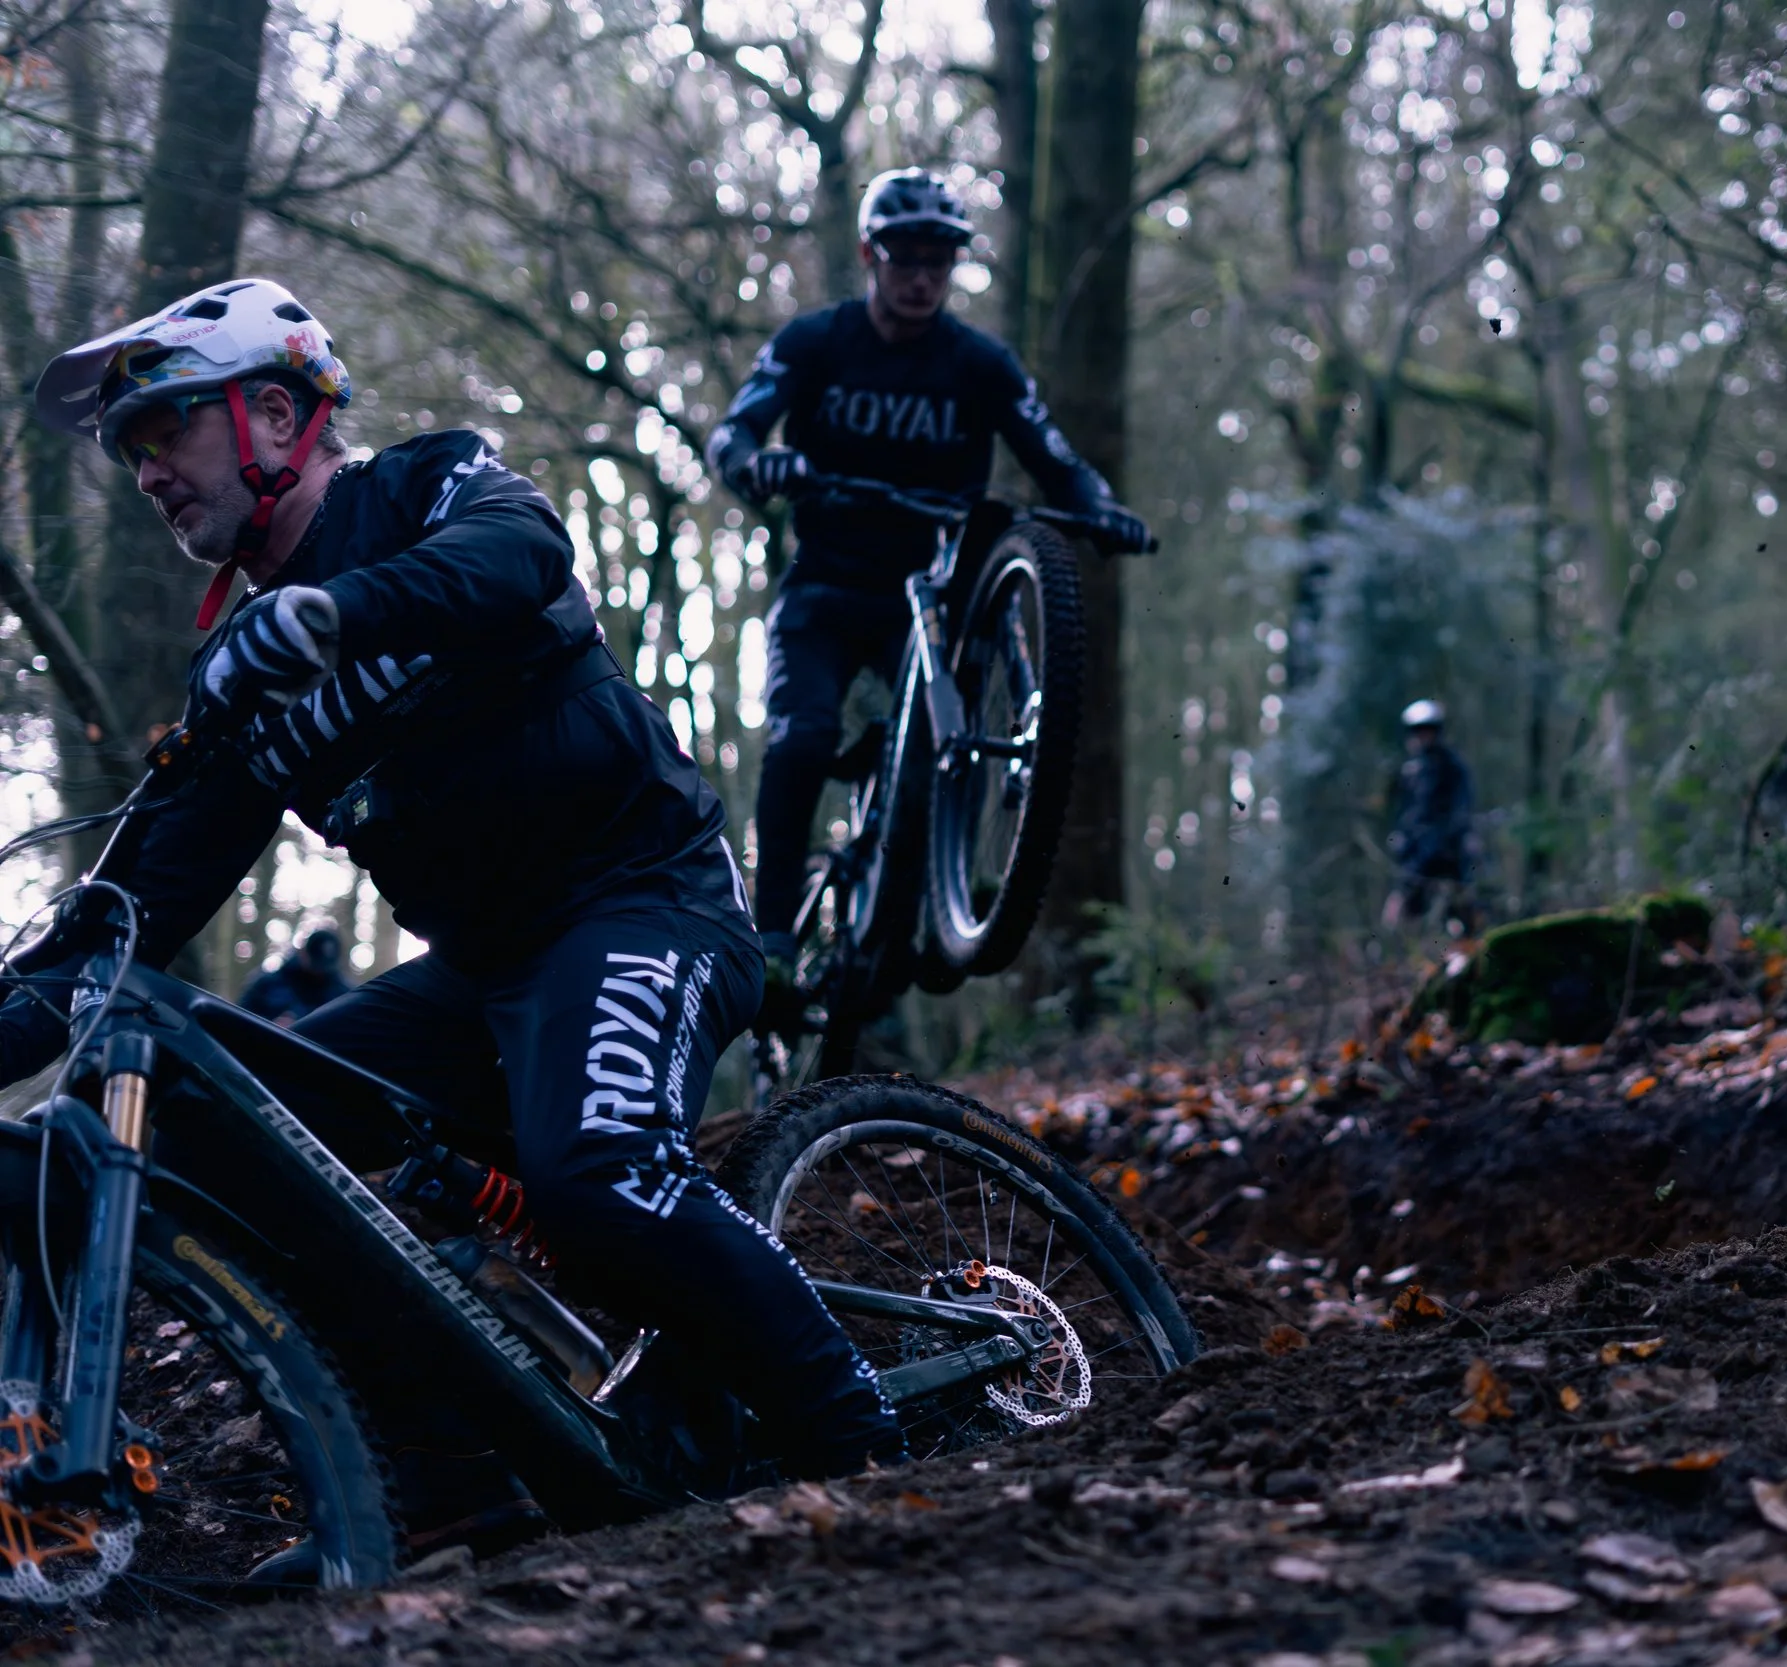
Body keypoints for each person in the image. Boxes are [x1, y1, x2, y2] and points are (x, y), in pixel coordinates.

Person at [9, 279, 900, 1558]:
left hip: (643, 904)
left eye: (166, 429)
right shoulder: (244, 676)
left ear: (274, 411)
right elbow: (131, 915)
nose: (144, 470)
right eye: (129, 446)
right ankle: (447, 1499)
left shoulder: (425, 487)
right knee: (264, 1151)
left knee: (596, 1169)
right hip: (478, 977)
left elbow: (524, 552)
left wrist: (338, 610)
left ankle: (864, 1440)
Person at [704, 167, 1152, 1009]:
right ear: (872, 256)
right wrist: (753, 463)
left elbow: (1054, 458)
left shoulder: (978, 363)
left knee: (962, 732)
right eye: (905, 259)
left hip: (934, 593)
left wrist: (1102, 510)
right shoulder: (817, 341)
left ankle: (957, 892)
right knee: (800, 738)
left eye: (938, 264)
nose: (920, 279)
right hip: (827, 588)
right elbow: (735, 427)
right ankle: (767, 939)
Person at [1383, 699, 1476, 933]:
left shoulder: (1452, 766)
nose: (1423, 737)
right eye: (1419, 731)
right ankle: (1402, 950)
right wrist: (1400, 837)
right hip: (1416, 852)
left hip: (1447, 849)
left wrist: (1453, 836)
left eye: (1428, 731)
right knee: (1405, 906)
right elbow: (1402, 810)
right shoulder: (1409, 771)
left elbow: (1462, 806)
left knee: (1457, 904)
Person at [240, 925, 352, 1027]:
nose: (319, 973)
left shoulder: (344, 996)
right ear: (303, 953)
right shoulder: (267, 985)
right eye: (315, 966)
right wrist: (270, 1026)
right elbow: (241, 1019)